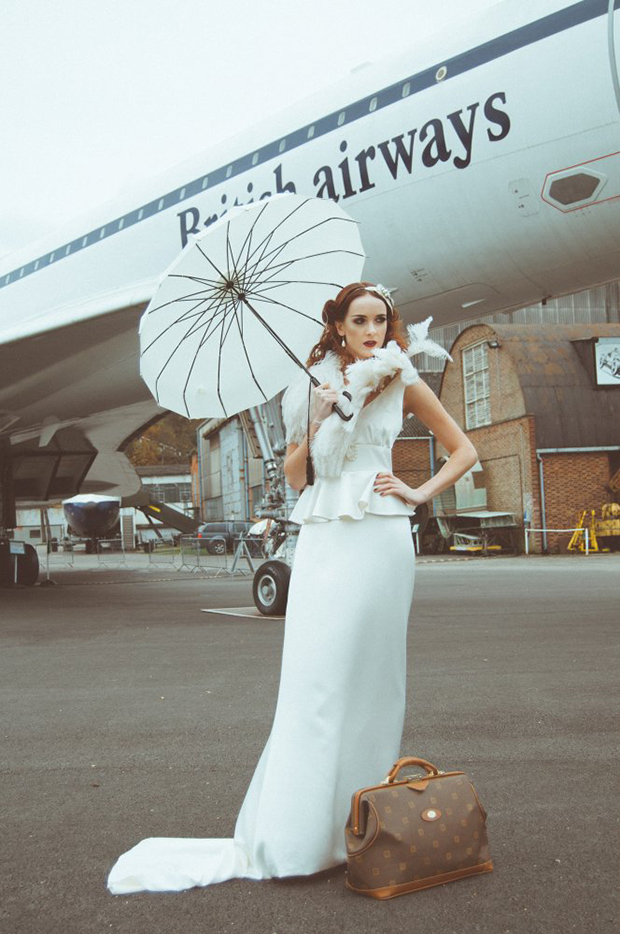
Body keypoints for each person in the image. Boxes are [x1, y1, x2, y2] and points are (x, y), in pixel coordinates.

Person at [106, 281, 477, 895]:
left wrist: (416, 493)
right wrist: (322, 415)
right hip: (328, 535)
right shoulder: (312, 385)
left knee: (377, 685)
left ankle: (359, 827)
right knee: (317, 681)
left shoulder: (402, 377)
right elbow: (298, 475)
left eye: (380, 320)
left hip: (382, 538)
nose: (371, 331)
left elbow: (463, 450)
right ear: (336, 326)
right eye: (359, 320)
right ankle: (302, 836)